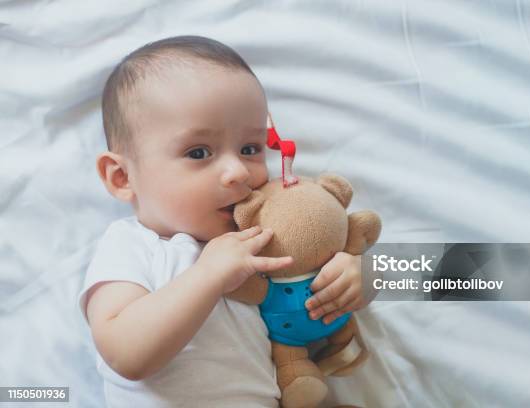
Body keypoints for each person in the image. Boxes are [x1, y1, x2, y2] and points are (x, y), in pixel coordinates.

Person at [77, 35, 370, 407]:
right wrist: (208, 275)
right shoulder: (131, 245)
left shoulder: (263, 239)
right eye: (198, 152)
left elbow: (453, 273)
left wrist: (359, 277)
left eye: (250, 149)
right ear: (122, 177)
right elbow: (125, 355)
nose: (236, 172)